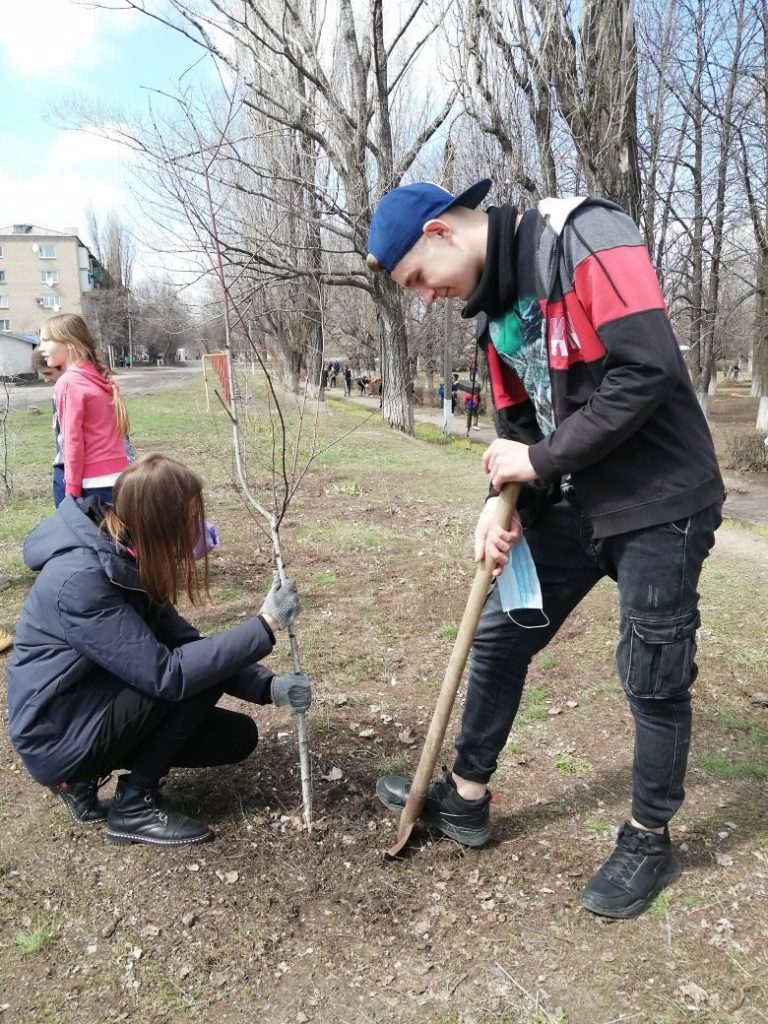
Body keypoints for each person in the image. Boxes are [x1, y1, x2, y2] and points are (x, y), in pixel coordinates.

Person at [366, 179, 724, 919]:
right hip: (580, 500)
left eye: (418, 280)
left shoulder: (583, 235)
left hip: (661, 499)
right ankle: (465, 799)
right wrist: (499, 507)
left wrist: (539, 462)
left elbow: (647, 368)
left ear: (440, 232)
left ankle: (649, 837)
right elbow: (521, 437)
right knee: (501, 633)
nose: (426, 297)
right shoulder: (494, 320)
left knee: (651, 675)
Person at [7, 453, 312, 848]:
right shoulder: (81, 582)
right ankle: (132, 805)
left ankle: (81, 782)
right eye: (188, 521)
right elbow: (169, 674)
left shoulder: (125, 557)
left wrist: (268, 688)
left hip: (88, 707)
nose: (196, 531)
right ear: (160, 523)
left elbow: (186, 643)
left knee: (236, 737)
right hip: (57, 732)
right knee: (190, 677)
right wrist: (265, 625)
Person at [37, 314, 131, 506]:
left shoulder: (69, 382)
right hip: (121, 479)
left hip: (93, 485)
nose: (41, 348)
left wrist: (70, 493)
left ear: (69, 343)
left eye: (46, 340)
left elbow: (73, 443)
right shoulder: (98, 378)